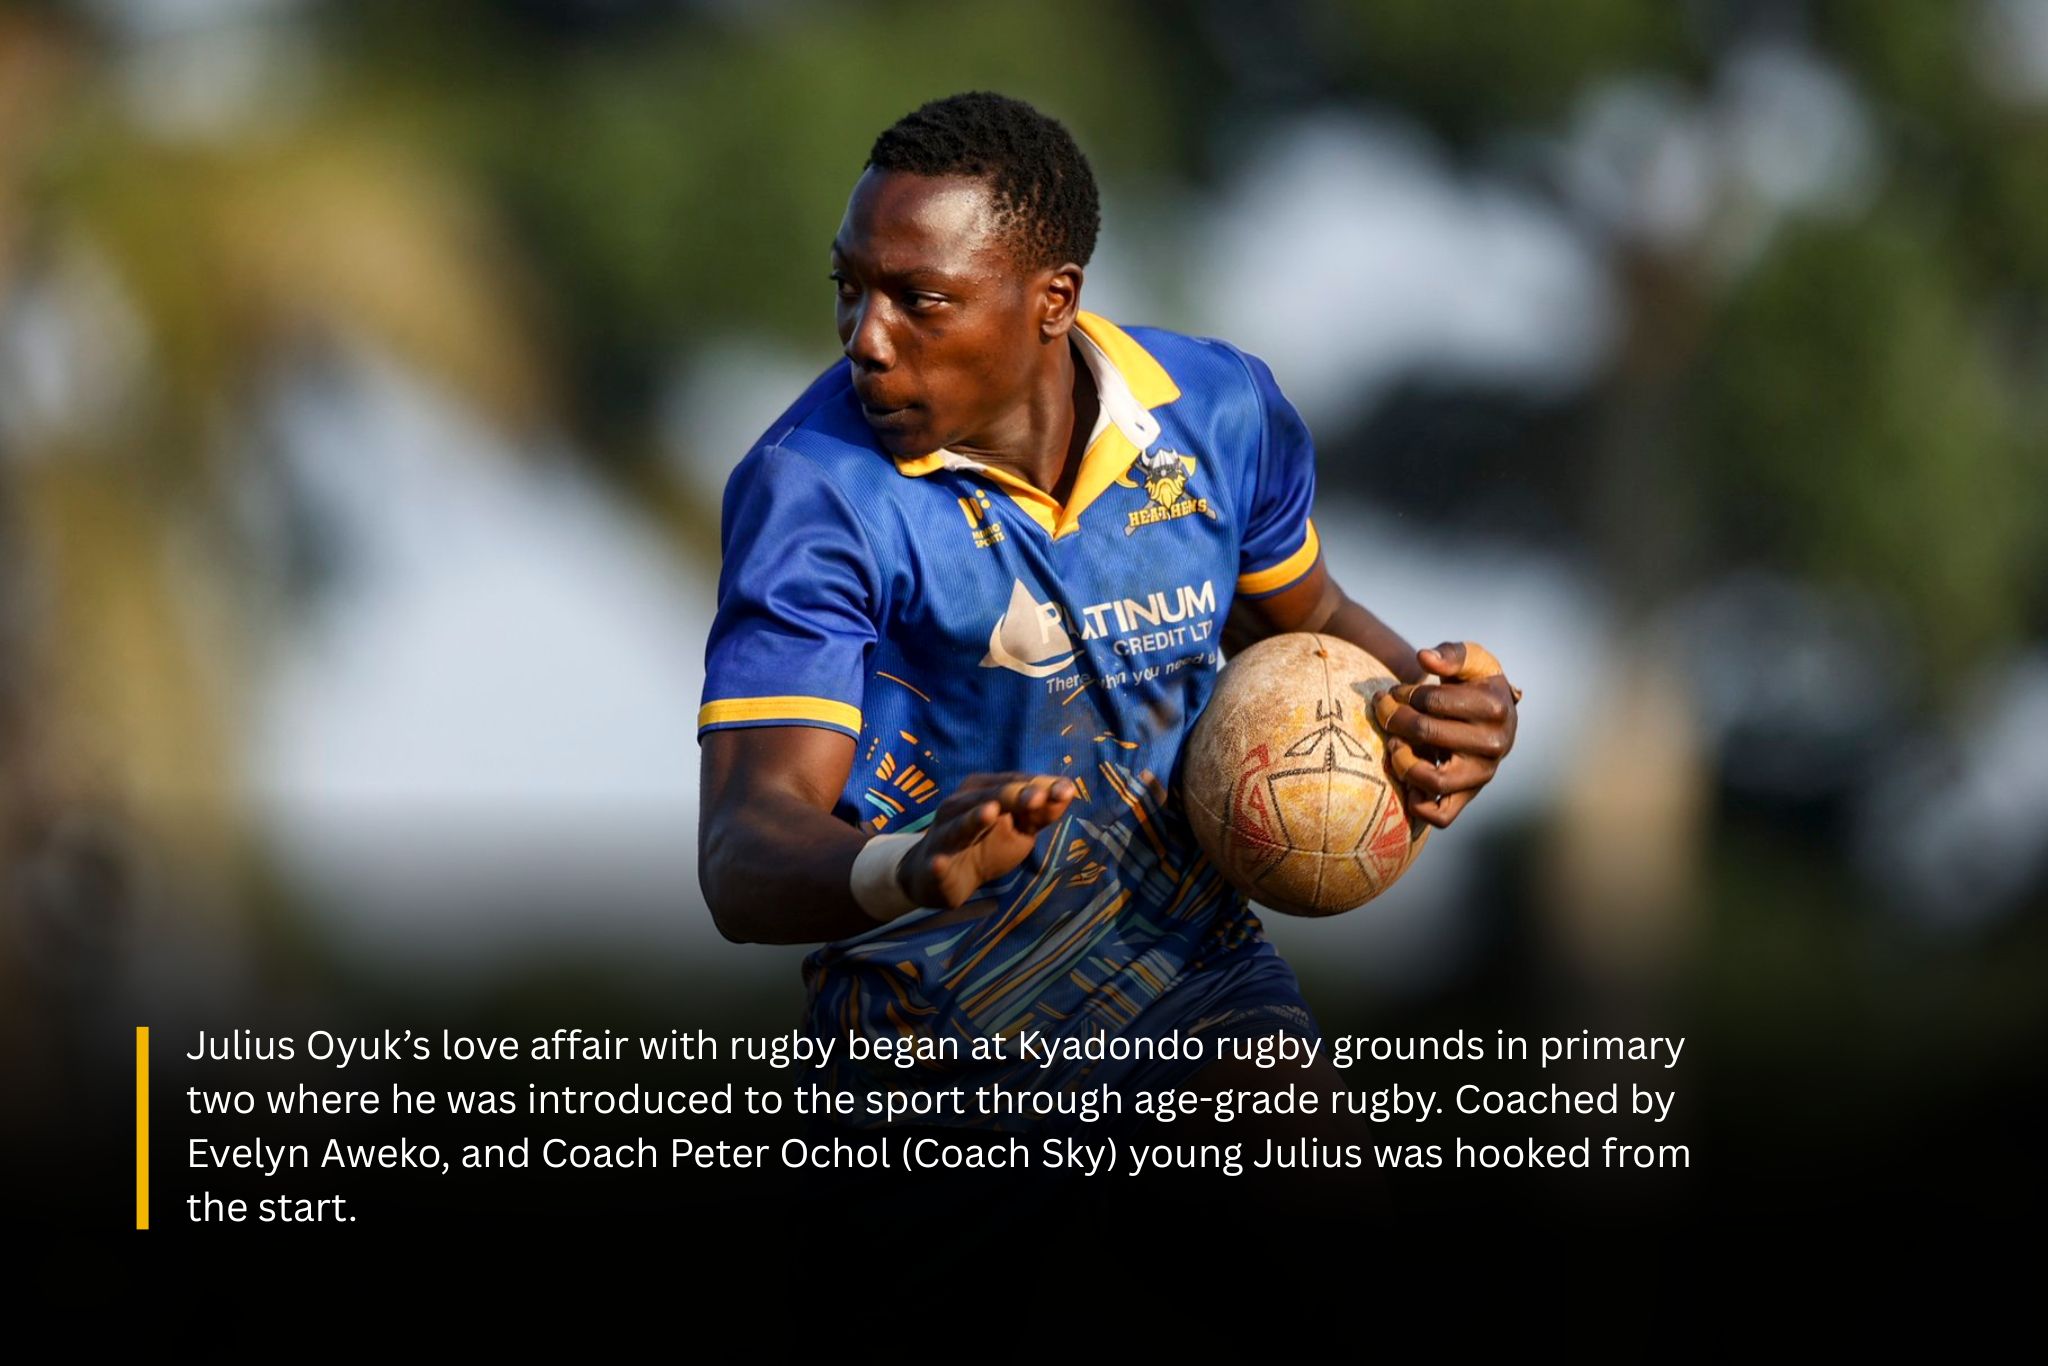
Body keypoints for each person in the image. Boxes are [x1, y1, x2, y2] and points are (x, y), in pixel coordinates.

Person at [697, 92, 1519, 1153]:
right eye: (848, 289)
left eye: (918, 300)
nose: (867, 339)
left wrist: (1436, 710)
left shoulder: (1218, 415)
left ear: (1053, 300)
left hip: (1197, 996)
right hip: (931, 1064)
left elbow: (1302, 618)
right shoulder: (815, 493)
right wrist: (907, 865)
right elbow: (743, 849)